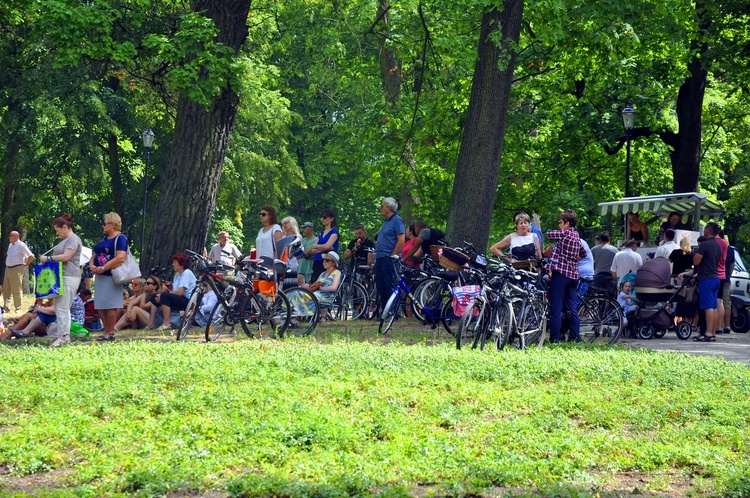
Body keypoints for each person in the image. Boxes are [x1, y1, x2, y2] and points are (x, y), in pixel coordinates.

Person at [38, 214, 83, 347]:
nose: (57, 234)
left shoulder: (73, 239)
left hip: (70, 276)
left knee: (63, 307)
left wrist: (48, 259)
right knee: (60, 307)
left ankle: (64, 336)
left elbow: (66, 257)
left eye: (58, 230)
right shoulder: (65, 241)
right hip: (61, 277)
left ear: (65, 227)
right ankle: (63, 335)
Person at [546, 209, 587, 343]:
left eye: (561, 222)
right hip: (573, 276)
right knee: (572, 308)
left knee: (556, 307)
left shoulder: (564, 234)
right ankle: (575, 337)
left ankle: (555, 338)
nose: (559, 225)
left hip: (561, 275)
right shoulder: (576, 236)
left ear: (567, 223)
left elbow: (549, 234)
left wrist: (563, 259)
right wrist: (572, 259)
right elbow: (584, 253)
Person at [90, 212, 128, 342]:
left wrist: (104, 268)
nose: (103, 226)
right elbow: (95, 253)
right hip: (99, 275)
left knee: (110, 304)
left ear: (112, 225)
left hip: (111, 275)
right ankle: (106, 330)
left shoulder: (121, 238)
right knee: (100, 304)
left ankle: (110, 331)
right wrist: (92, 265)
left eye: (105, 223)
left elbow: (121, 257)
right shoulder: (104, 239)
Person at [688, 222, 722, 342]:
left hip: (706, 279)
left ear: (707, 231)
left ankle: (707, 333)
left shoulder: (705, 245)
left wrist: (695, 257)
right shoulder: (718, 245)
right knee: (713, 307)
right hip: (716, 278)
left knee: (707, 307)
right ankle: (712, 332)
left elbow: (696, 261)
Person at [374, 197, 405, 314]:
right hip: (380, 257)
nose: (381, 208)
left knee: (389, 285)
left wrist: (394, 254)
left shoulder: (397, 220)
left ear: (389, 208)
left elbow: (401, 239)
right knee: (381, 285)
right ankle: (384, 312)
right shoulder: (386, 222)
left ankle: (392, 313)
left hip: (389, 258)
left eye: (382, 206)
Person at [149, 253, 196, 330]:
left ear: (181, 265)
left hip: (188, 301)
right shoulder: (177, 275)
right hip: (181, 298)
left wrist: (164, 295)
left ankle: (166, 323)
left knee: (164, 296)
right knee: (155, 296)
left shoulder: (187, 273)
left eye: (175, 262)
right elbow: (174, 292)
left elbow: (180, 292)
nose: (173, 264)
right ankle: (151, 323)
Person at [3, 230, 35, 312]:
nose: (9, 237)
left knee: (16, 289)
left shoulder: (21, 245)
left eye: (10, 235)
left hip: (17, 268)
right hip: (8, 268)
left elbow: (31, 256)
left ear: (16, 237)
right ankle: (6, 307)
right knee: (6, 289)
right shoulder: (10, 245)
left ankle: (18, 308)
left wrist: (26, 264)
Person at [305, 252, 342, 319]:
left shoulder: (337, 272)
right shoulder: (323, 273)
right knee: (297, 294)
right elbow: (315, 286)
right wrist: (308, 287)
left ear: (333, 263)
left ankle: (306, 315)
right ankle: (293, 317)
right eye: (324, 260)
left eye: (327, 260)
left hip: (327, 297)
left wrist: (321, 288)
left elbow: (334, 288)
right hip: (317, 294)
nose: (324, 262)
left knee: (305, 296)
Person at [306, 209, 339, 281]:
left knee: (326, 282)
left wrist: (318, 247)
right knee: (315, 283)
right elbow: (313, 249)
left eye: (324, 217)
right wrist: (323, 248)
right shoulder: (320, 234)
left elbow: (326, 246)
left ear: (331, 219)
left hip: (328, 262)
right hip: (317, 261)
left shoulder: (334, 232)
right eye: (322, 217)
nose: (322, 219)